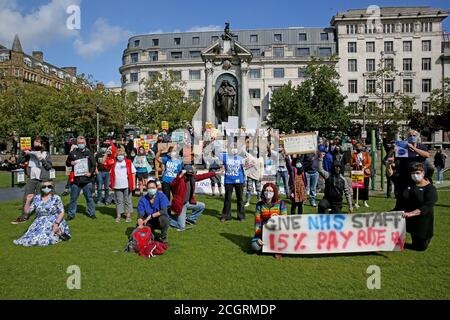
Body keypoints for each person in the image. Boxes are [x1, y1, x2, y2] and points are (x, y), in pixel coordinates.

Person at [388, 163, 438, 251]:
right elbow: (392, 175)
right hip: (403, 215)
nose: (415, 175)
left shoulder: (430, 189)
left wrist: (411, 214)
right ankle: (387, 241)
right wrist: (388, 165)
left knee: (420, 247)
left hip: (421, 220)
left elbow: (427, 206)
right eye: (413, 173)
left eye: (418, 172)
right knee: (384, 219)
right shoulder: (407, 183)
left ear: (423, 173)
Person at [13, 180, 71, 247]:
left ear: (52, 188)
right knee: (31, 237)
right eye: (44, 186)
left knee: (44, 238)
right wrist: (28, 201)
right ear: (41, 188)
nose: (46, 188)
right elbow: (27, 212)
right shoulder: (37, 198)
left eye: (49, 186)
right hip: (39, 221)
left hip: (53, 220)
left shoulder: (56, 198)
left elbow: (61, 212)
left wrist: (56, 224)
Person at [12, 138, 53, 224]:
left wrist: (42, 159)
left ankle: (40, 216)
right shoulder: (30, 154)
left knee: (40, 198)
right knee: (27, 197)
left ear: (42, 145)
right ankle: (24, 216)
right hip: (32, 178)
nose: (36, 145)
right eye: (35, 144)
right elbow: (19, 161)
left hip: (42, 179)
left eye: (38, 143)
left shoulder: (46, 154)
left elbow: (49, 167)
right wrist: (23, 153)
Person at [169, 165, 217, 231]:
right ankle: (168, 219)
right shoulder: (180, 179)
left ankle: (190, 219)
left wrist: (214, 173)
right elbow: (172, 184)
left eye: (191, 174)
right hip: (180, 205)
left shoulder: (192, 178)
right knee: (181, 227)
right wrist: (181, 174)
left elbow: (203, 176)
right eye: (188, 174)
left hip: (188, 203)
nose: (189, 176)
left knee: (202, 206)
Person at [250, 183, 287, 259]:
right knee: (255, 246)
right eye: (266, 190)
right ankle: (267, 246)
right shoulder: (259, 205)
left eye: (270, 190)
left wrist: (278, 218)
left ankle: (276, 249)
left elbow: (285, 218)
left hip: (278, 232)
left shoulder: (281, 203)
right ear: (263, 192)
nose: (268, 192)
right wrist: (257, 237)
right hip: (264, 231)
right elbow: (258, 222)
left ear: (274, 192)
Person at [65, 136, 96, 220]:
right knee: (73, 198)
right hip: (76, 180)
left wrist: (90, 173)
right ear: (77, 143)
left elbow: (94, 165)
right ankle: (71, 214)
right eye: (79, 143)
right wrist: (71, 162)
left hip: (87, 180)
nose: (81, 144)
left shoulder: (89, 153)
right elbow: (67, 163)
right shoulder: (73, 152)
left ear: (85, 143)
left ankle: (92, 213)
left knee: (89, 198)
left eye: (82, 143)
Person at [104, 147, 136, 223]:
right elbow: (103, 163)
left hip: (127, 185)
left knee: (128, 200)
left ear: (124, 154)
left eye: (121, 154)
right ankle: (119, 215)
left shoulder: (128, 162)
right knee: (119, 201)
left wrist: (134, 184)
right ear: (116, 155)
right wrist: (106, 154)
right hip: (117, 185)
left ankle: (128, 216)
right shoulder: (113, 162)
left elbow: (133, 173)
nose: (120, 156)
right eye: (118, 154)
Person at [220, 146, 246, 222]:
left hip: (239, 180)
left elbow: (245, 169)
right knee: (227, 199)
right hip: (228, 181)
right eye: (232, 147)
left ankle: (241, 216)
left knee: (240, 199)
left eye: (236, 147)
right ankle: (225, 215)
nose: (234, 149)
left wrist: (245, 180)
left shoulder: (241, 158)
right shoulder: (225, 156)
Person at [156, 146, 183, 215]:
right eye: (171, 151)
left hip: (174, 182)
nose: (172, 153)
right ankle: (167, 213)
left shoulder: (179, 162)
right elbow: (157, 158)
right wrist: (159, 151)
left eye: (174, 151)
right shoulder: (167, 159)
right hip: (166, 181)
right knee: (166, 197)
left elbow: (180, 172)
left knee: (175, 197)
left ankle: (176, 210)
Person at [351, 143, 372, 208]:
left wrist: (365, 167)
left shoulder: (366, 154)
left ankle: (364, 202)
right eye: (357, 147)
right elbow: (351, 163)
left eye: (360, 147)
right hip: (356, 173)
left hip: (365, 173)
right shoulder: (353, 155)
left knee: (365, 188)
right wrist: (355, 163)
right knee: (356, 188)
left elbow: (369, 162)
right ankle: (355, 202)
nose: (359, 148)